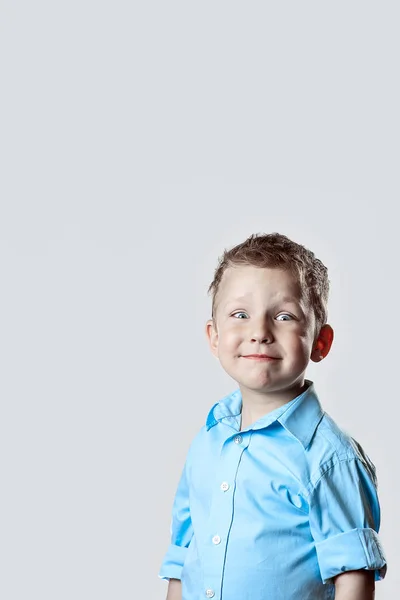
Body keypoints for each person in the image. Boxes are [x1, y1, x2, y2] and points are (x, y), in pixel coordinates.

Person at [158, 232, 387, 600]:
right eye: (240, 315)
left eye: (283, 316)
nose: (259, 333)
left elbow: (353, 575)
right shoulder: (208, 441)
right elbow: (183, 555)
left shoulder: (329, 458)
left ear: (320, 343)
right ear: (214, 337)